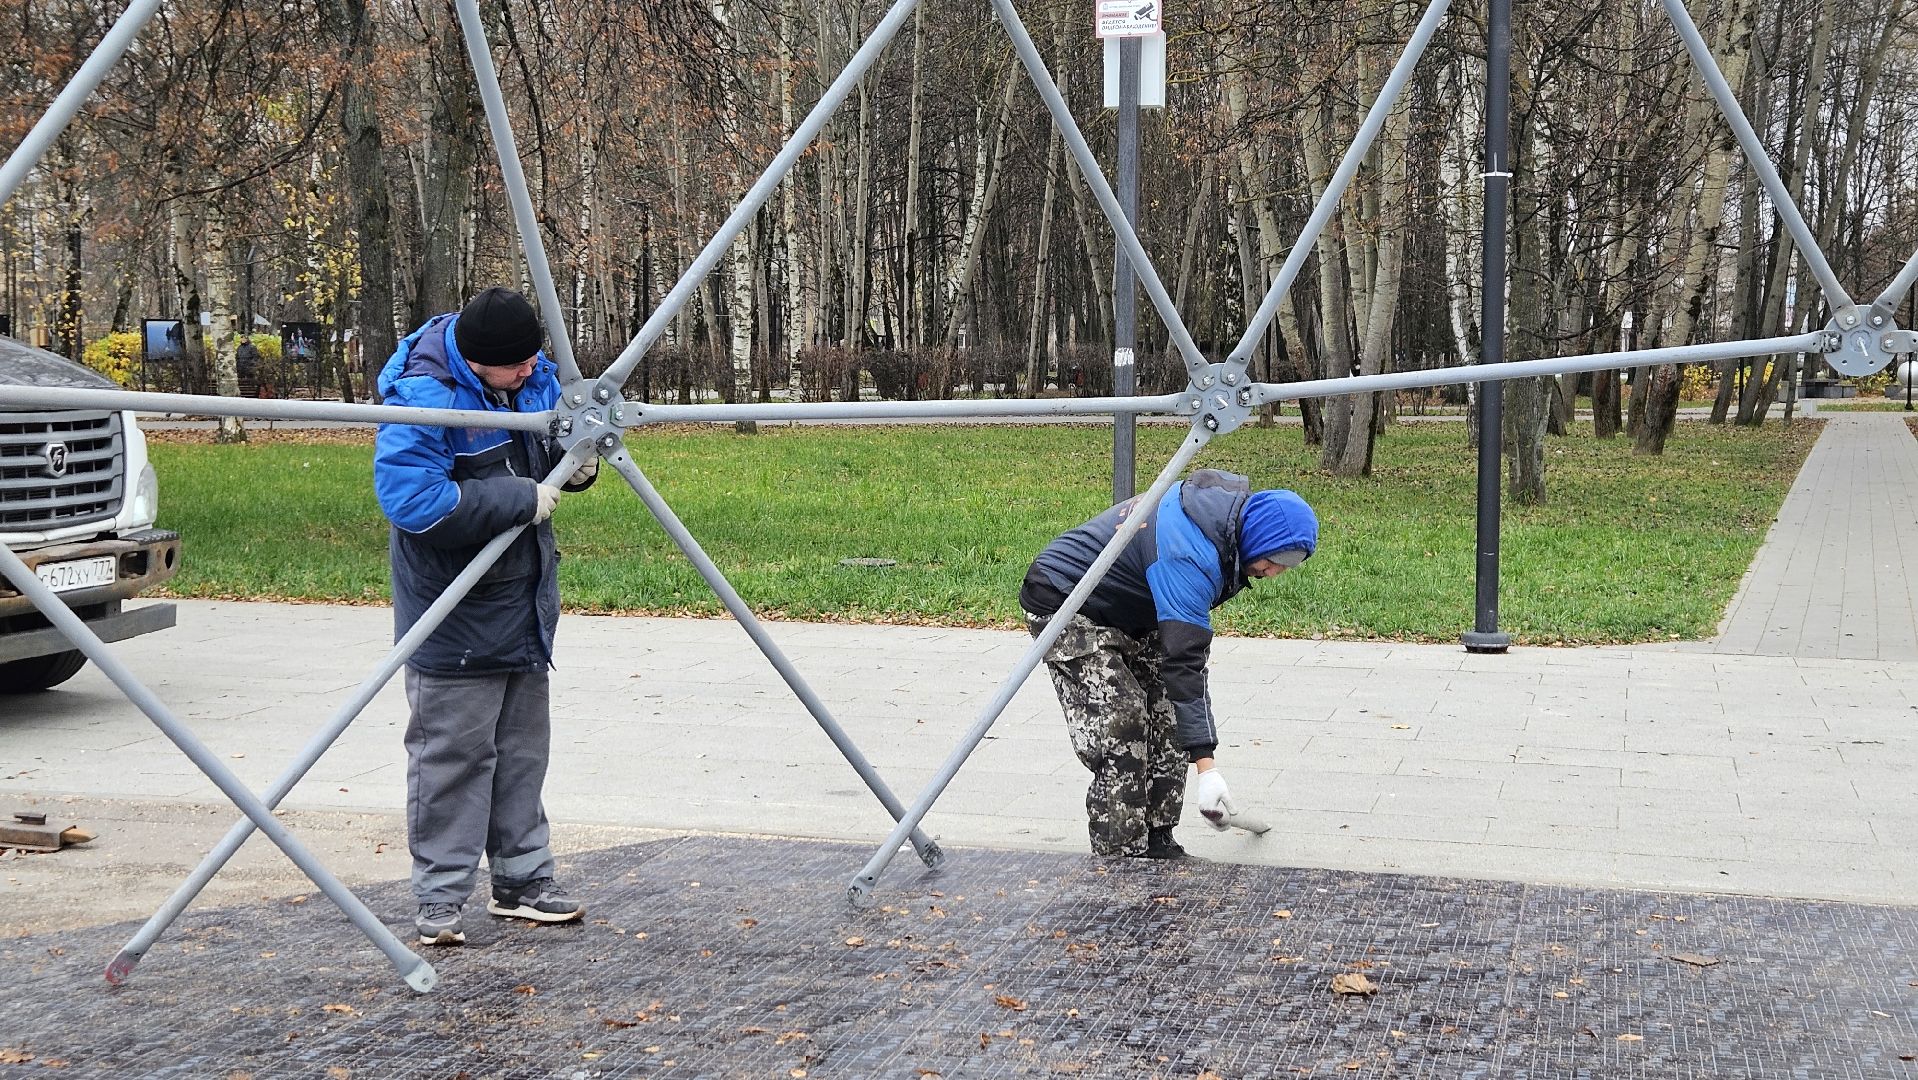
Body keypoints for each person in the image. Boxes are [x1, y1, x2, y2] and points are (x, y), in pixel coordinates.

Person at [373, 286, 599, 945]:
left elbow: (556, 453)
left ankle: (523, 884)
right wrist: (516, 498)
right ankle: (440, 902)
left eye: (535, 359)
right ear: (477, 363)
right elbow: (414, 502)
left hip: (523, 605)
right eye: (518, 364)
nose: (533, 371)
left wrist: (577, 467)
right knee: (452, 759)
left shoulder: (532, 377)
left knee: (523, 754)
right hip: (456, 612)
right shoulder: (425, 401)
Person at [1021, 470, 1317, 860]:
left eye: (1289, 565)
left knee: (1171, 715)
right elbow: (1185, 665)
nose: (1275, 572)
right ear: (1257, 536)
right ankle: (1120, 860)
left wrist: (1200, 754)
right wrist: (1207, 769)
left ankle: (1159, 841)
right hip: (1067, 601)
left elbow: (1184, 672)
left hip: (1132, 611)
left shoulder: (1225, 530)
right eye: (1276, 560)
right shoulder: (1190, 550)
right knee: (1122, 722)